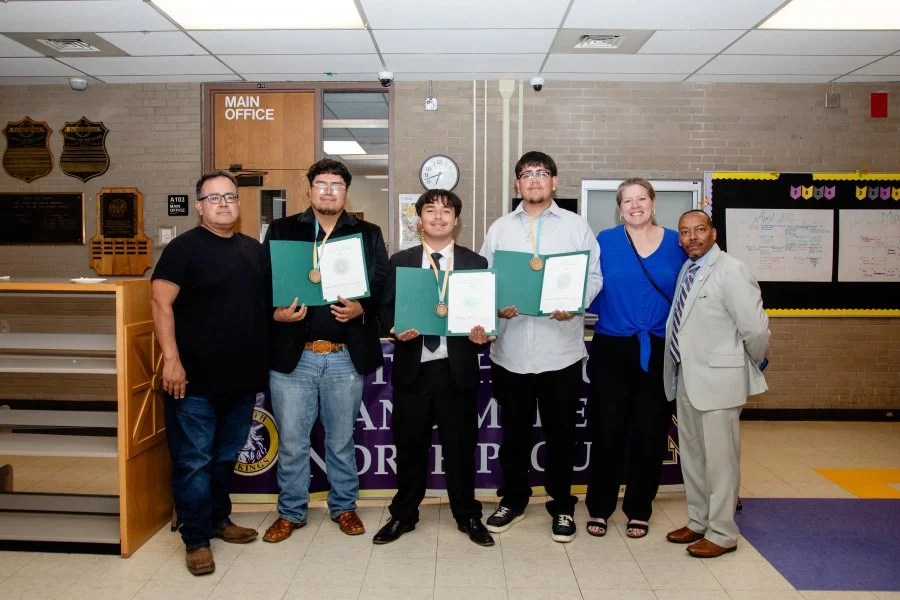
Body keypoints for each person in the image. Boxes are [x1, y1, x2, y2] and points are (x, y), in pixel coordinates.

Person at [261, 158, 389, 542]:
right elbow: (264, 281)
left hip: (344, 355)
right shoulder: (283, 230)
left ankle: (344, 507)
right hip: (293, 355)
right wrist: (276, 313)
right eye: (321, 183)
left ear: (345, 191)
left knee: (340, 440)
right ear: (309, 189)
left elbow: (383, 284)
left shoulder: (366, 233)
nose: (329, 190)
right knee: (294, 442)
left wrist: (362, 308)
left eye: (336, 184)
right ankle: (291, 512)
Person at [480, 151, 602, 543]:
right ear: (517, 184)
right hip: (511, 351)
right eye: (526, 174)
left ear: (554, 182)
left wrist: (575, 303)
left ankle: (562, 506)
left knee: (561, 434)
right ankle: (512, 500)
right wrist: (496, 306)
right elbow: (485, 279)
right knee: (513, 435)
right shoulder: (500, 228)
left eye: (542, 173)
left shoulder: (577, 227)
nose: (534, 180)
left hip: (560, 352)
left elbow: (593, 276)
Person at [151, 170, 268, 576]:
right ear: (199, 205)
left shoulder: (253, 250)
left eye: (230, 197)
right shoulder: (183, 249)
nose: (223, 203)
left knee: (223, 458)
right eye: (213, 197)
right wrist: (171, 360)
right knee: (194, 461)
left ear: (239, 203)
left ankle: (220, 520)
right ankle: (196, 539)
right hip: (192, 380)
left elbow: (260, 307)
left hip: (240, 380)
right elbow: (160, 303)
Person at [375, 189, 494, 547]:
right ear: (419, 220)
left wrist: (482, 334)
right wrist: (394, 328)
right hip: (414, 368)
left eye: (446, 211)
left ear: (456, 220)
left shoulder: (475, 263)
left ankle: (468, 515)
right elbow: (385, 311)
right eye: (431, 210)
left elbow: (485, 318)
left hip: (456, 369)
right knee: (410, 448)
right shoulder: (401, 260)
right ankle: (404, 515)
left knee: (460, 449)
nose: (439, 216)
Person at [584, 178, 686, 539]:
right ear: (619, 207)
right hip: (612, 347)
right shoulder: (604, 242)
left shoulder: (677, 242)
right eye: (627, 200)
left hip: (659, 350)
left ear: (653, 202)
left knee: (650, 433)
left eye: (641, 198)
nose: (635, 205)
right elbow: (589, 288)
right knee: (607, 431)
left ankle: (639, 508)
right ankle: (599, 507)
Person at [664, 209, 770, 558]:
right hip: (687, 380)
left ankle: (723, 533)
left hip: (719, 383)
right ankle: (698, 521)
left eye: (699, 229)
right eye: (684, 232)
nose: (691, 236)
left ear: (713, 232)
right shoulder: (688, 269)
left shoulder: (731, 270)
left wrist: (747, 363)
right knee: (693, 459)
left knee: (721, 463)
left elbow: (755, 330)